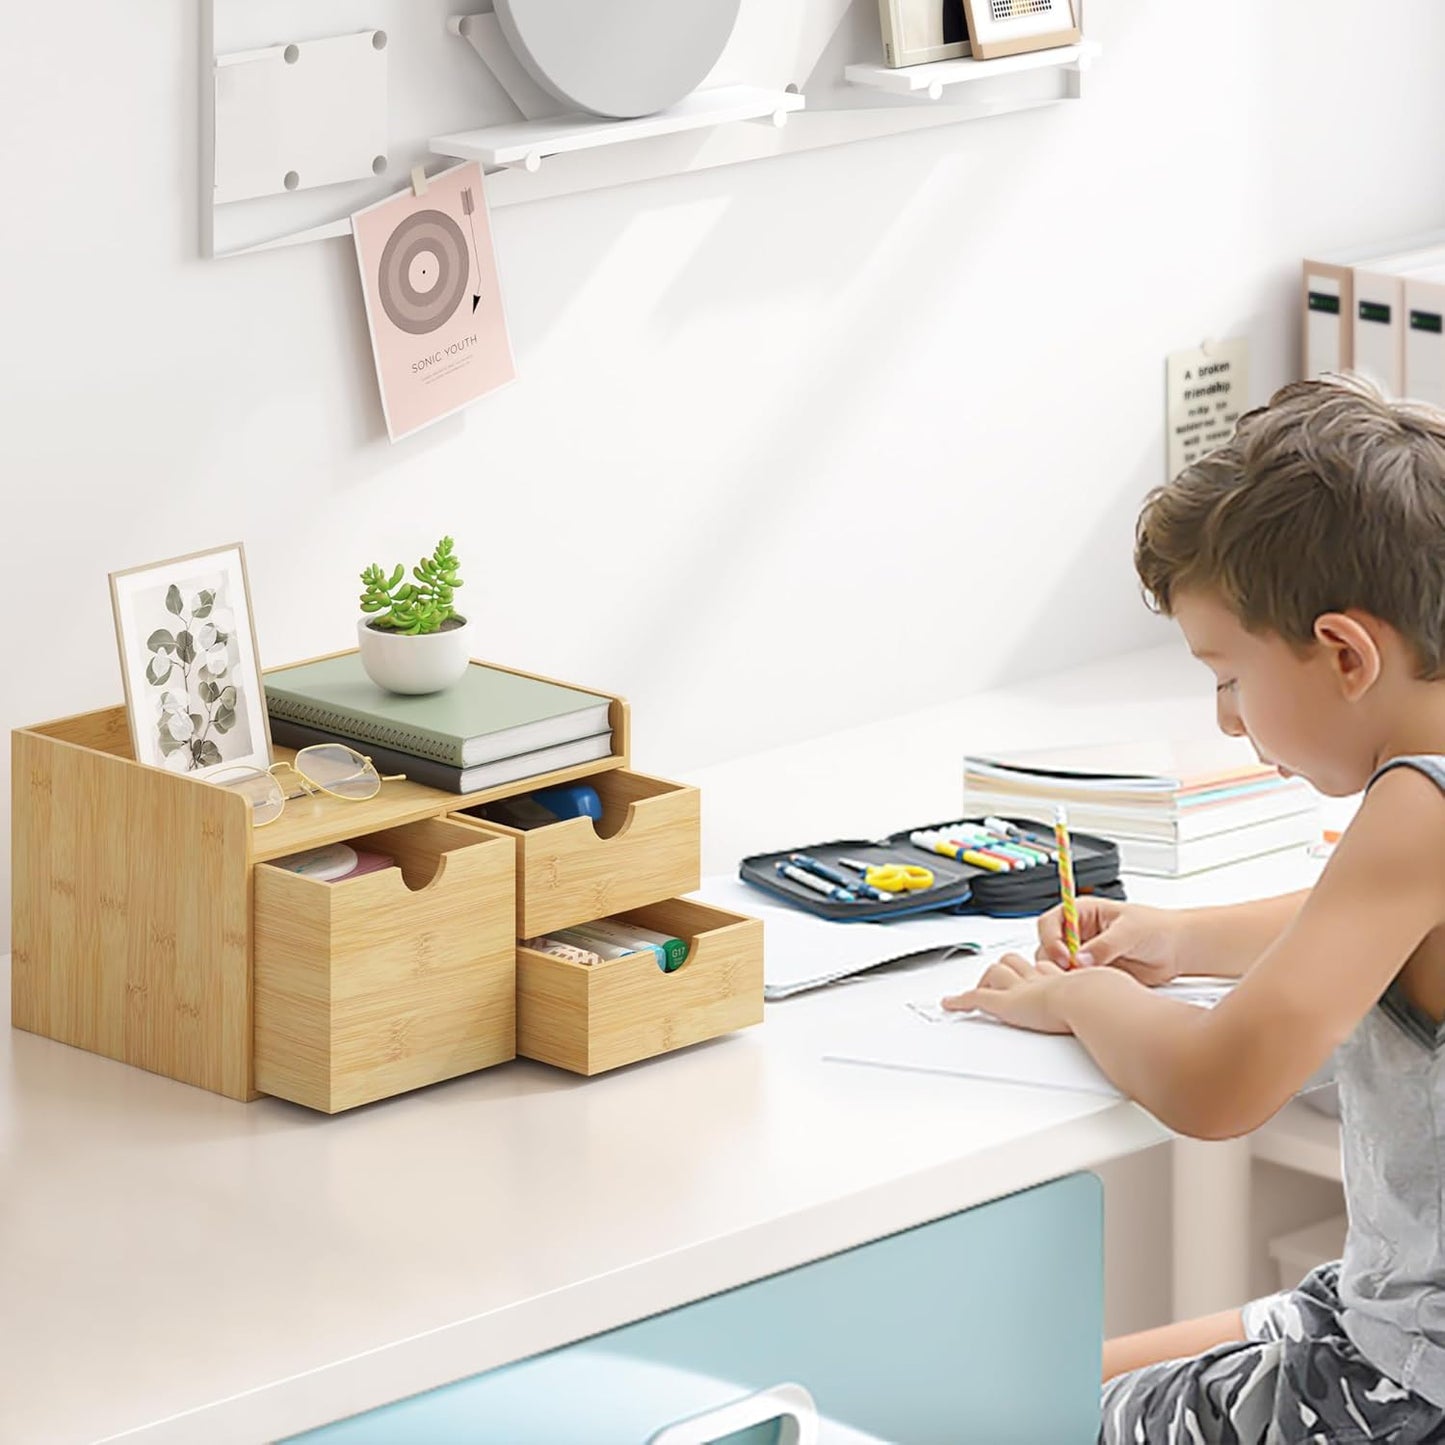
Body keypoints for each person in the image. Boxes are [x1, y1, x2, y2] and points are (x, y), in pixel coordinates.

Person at [943, 374, 1445, 1443]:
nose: (1223, 720)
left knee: (1004, 1415)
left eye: (1225, 674)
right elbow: (1366, 919)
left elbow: (1219, 1085)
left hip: (1403, 1389)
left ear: (1344, 653)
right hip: (1381, 1318)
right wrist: (1177, 937)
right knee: (1034, 1378)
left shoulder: (1415, 807)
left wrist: (1078, 998)